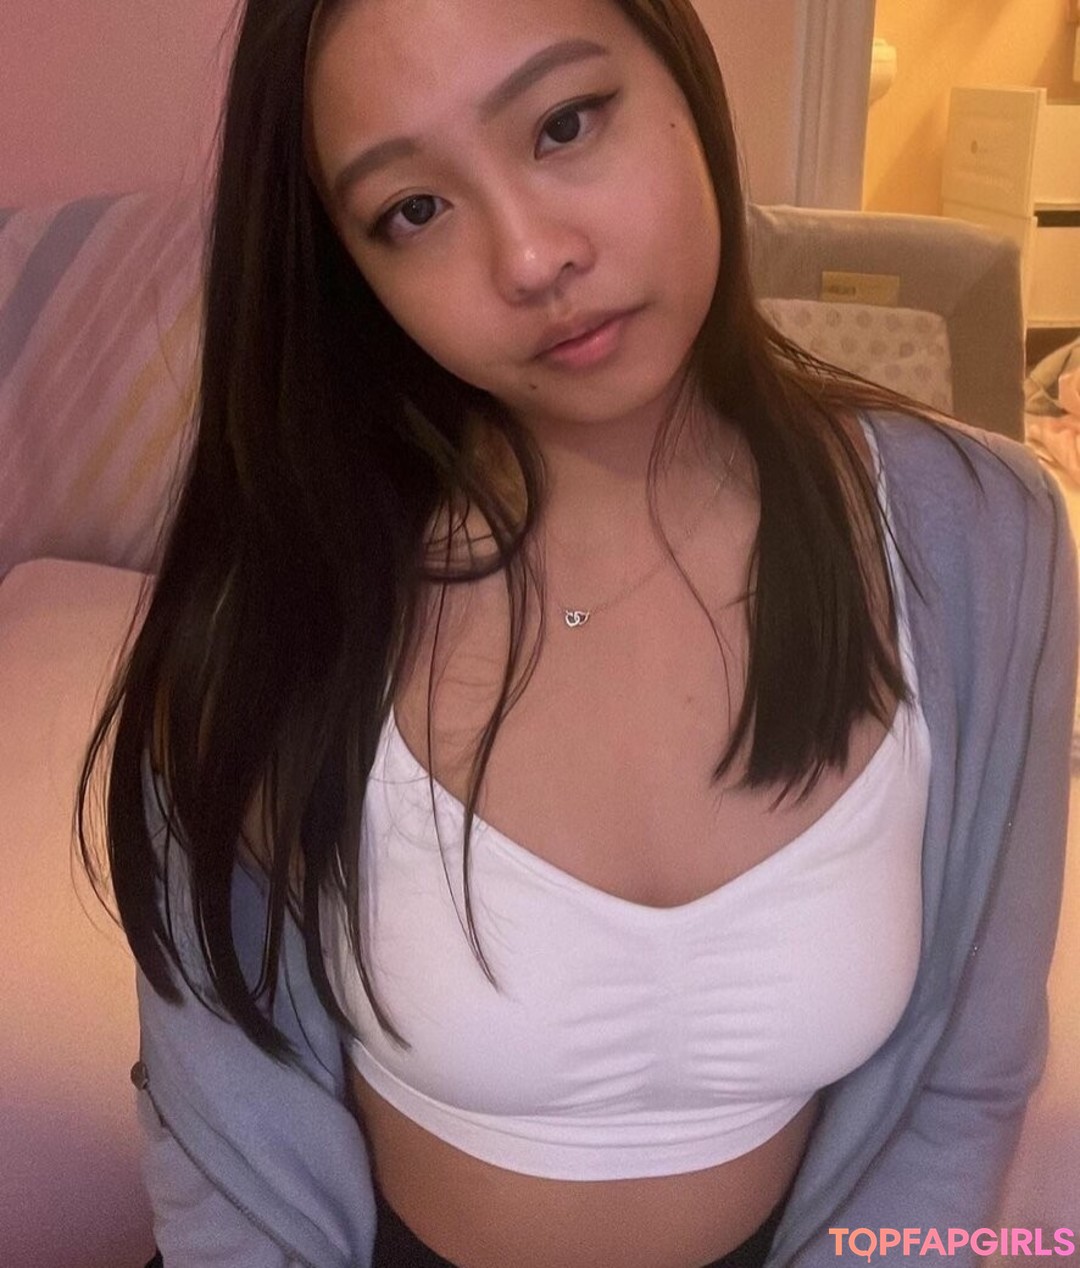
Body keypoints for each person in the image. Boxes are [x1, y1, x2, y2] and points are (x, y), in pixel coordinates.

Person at [78, 0, 1077, 1265]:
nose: (532, 257)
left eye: (563, 123)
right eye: (414, 209)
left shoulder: (983, 534)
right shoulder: (281, 599)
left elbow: (966, 1077)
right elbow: (222, 1125)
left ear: (685, 77)